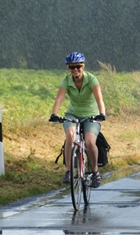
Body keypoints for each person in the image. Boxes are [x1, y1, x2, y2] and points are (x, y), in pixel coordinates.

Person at [49, 52, 106, 187]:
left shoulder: (91, 79)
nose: (75, 70)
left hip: (91, 115)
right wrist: (54, 114)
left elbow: (99, 99)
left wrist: (102, 113)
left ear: (83, 66)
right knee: (70, 136)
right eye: (72, 67)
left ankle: (95, 172)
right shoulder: (66, 80)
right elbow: (59, 98)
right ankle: (69, 171)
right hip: (72, 114)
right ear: (68, 68)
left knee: (90, 142)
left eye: (78, 66)